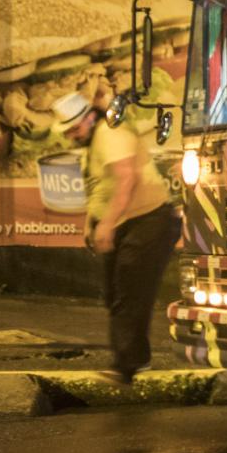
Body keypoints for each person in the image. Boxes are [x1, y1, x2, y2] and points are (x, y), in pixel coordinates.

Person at [52, 90, 180, 384]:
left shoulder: (110, 133)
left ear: (89, 118)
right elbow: (101, 187)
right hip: (127, 221)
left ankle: (128, 365)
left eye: (74, 129)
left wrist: (106, 224)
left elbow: (126, 180)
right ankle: (135, 358)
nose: (71, 136)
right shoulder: (95, 142)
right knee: (117, 293)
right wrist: (92, 222)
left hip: (149, 219)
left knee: (129, 291)